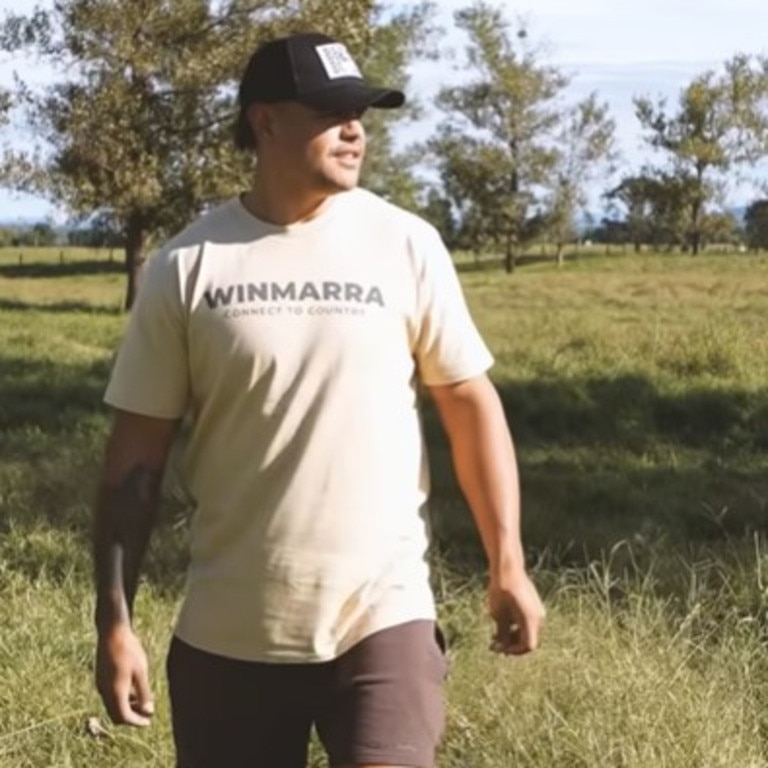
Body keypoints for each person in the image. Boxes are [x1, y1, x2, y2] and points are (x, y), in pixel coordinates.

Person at [92, 31, 545, 768]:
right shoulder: (188, 266)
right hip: (227, 636)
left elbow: (468, 401)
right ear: (265, 121)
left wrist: (508, 563)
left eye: (361, 112)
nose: (355, 129)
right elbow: (132, 463)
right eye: (331, 111)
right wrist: (114, 620)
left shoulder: (406, 245)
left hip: (383, 617)